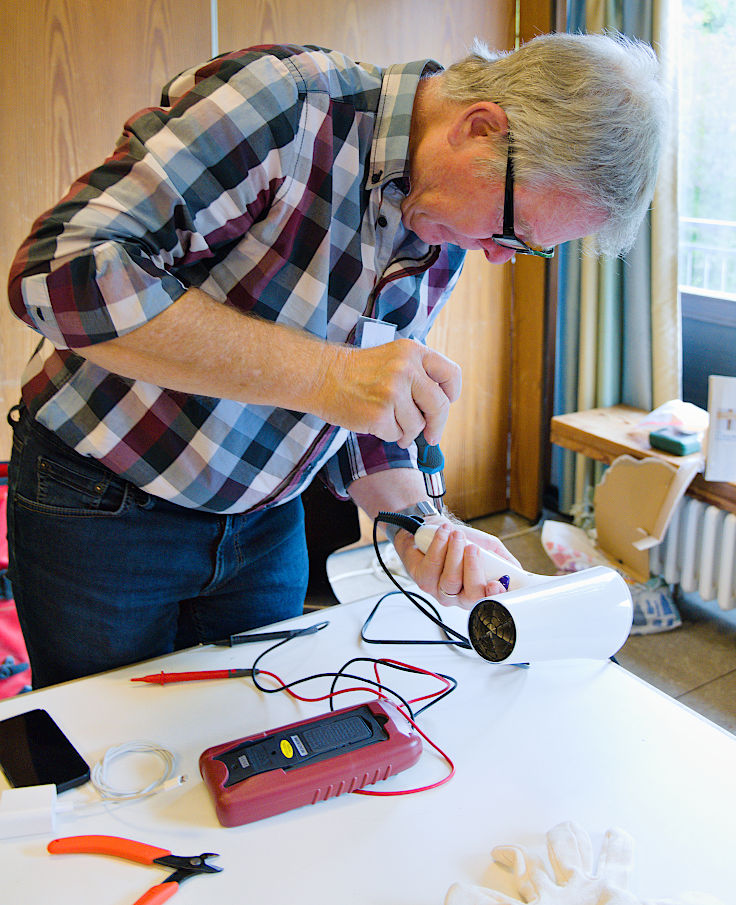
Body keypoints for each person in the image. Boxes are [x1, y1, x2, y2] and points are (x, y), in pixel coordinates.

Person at [6, 32, 666, 687]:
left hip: (262, 527)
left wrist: (420, 526)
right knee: (105, 758)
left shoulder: (445, 216)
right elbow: (57, 274)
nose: (497, 256)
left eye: (526, 248)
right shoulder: (289, 105)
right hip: (101, 503)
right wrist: (330, 376)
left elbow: (362, 408)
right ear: (480, 128)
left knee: (245, 745)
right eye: (509, 232)